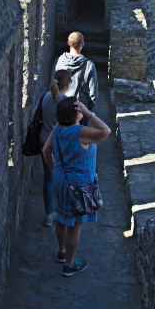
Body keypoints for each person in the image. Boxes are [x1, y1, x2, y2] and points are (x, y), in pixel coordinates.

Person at [42, 97, 110, 276]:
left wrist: (55, 169)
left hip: (61, 180)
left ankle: (62, 252)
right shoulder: (80, 132)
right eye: (79, 110)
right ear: (75, 114)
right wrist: (90, 113)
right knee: (75, 225)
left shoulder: (57, 129)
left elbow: (45, 151)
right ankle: (70, 265)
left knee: (62, 216)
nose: (82, 112)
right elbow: (105, 131)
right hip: (78, 185)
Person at [38, 69, 72, 227]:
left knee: (48, 180)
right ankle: (64, 211)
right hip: (60, 144)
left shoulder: (44, 97)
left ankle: (49, 214)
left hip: (44, 141)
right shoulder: (67, 103)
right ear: (69, 83)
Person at [52, 31, 98, 123]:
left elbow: (53, 84)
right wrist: (89, 109)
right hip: (80, 108)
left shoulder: (58, 61)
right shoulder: (89, 65)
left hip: (61, 106)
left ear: (68, 43)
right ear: (82, 44)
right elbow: (94, 93)